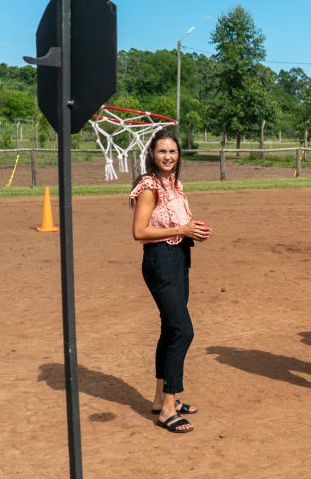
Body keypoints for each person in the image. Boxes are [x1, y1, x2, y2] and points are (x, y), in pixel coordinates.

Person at [130, 130, 211, 434]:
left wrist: (195, 230)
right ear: (151, 153)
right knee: (182, 329)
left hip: (178, 258)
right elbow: (139, 232)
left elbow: (178, 226)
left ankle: (159, 398)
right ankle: (167, 407)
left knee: (169, 328)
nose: (168, 157)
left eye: (173, 152)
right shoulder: (149, 186)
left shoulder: (174, 184)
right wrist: (182, 228)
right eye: (162, 151)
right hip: (160, 261)